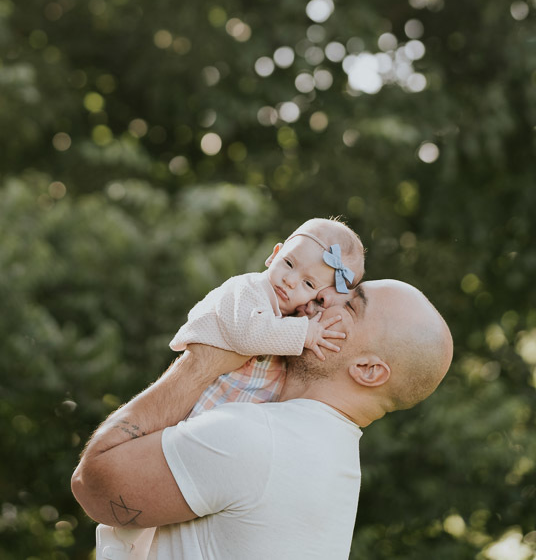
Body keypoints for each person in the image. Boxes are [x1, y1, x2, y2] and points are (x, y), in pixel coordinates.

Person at [72, 279, 453, 560]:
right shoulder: (331, 462)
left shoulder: (257, 438)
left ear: (368, 369)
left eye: (351, 306)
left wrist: (201, 363)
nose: (324, 296)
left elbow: (92, 483)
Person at [94, 216, 365, 556]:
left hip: (223, 427)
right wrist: (306, 334)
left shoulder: (291, 317)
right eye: (289, 263)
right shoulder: (247, 290)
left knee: (172, 521)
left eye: (309, 285)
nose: (290, 281)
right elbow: (247, 334)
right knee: (143, 508)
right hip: (196, 409)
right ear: (274, 254)